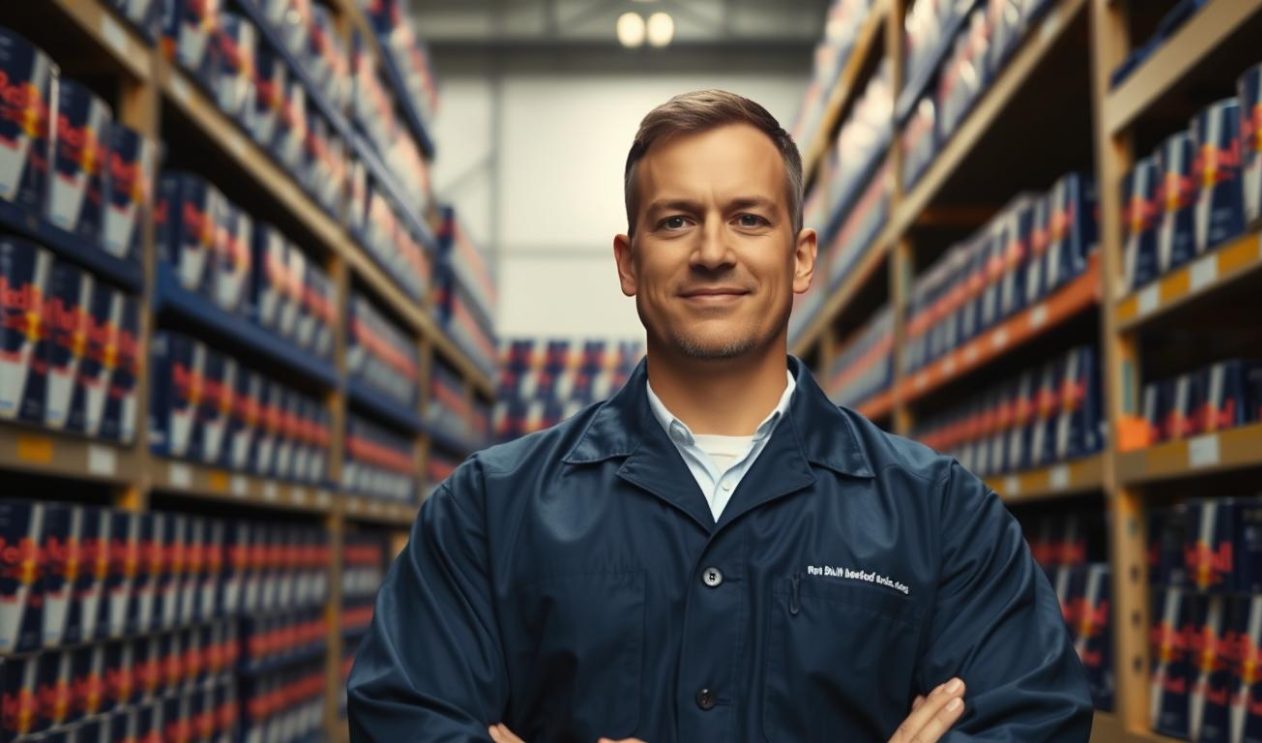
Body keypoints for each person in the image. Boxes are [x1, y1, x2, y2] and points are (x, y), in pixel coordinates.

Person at [347, 89, 1093, 742]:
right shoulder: (489, 509)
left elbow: (1036, 715)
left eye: (747, 219)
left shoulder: (939, 512)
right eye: (675, 221)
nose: (712, 251)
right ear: (628, 262)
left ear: (801, 257)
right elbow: (401, 714)